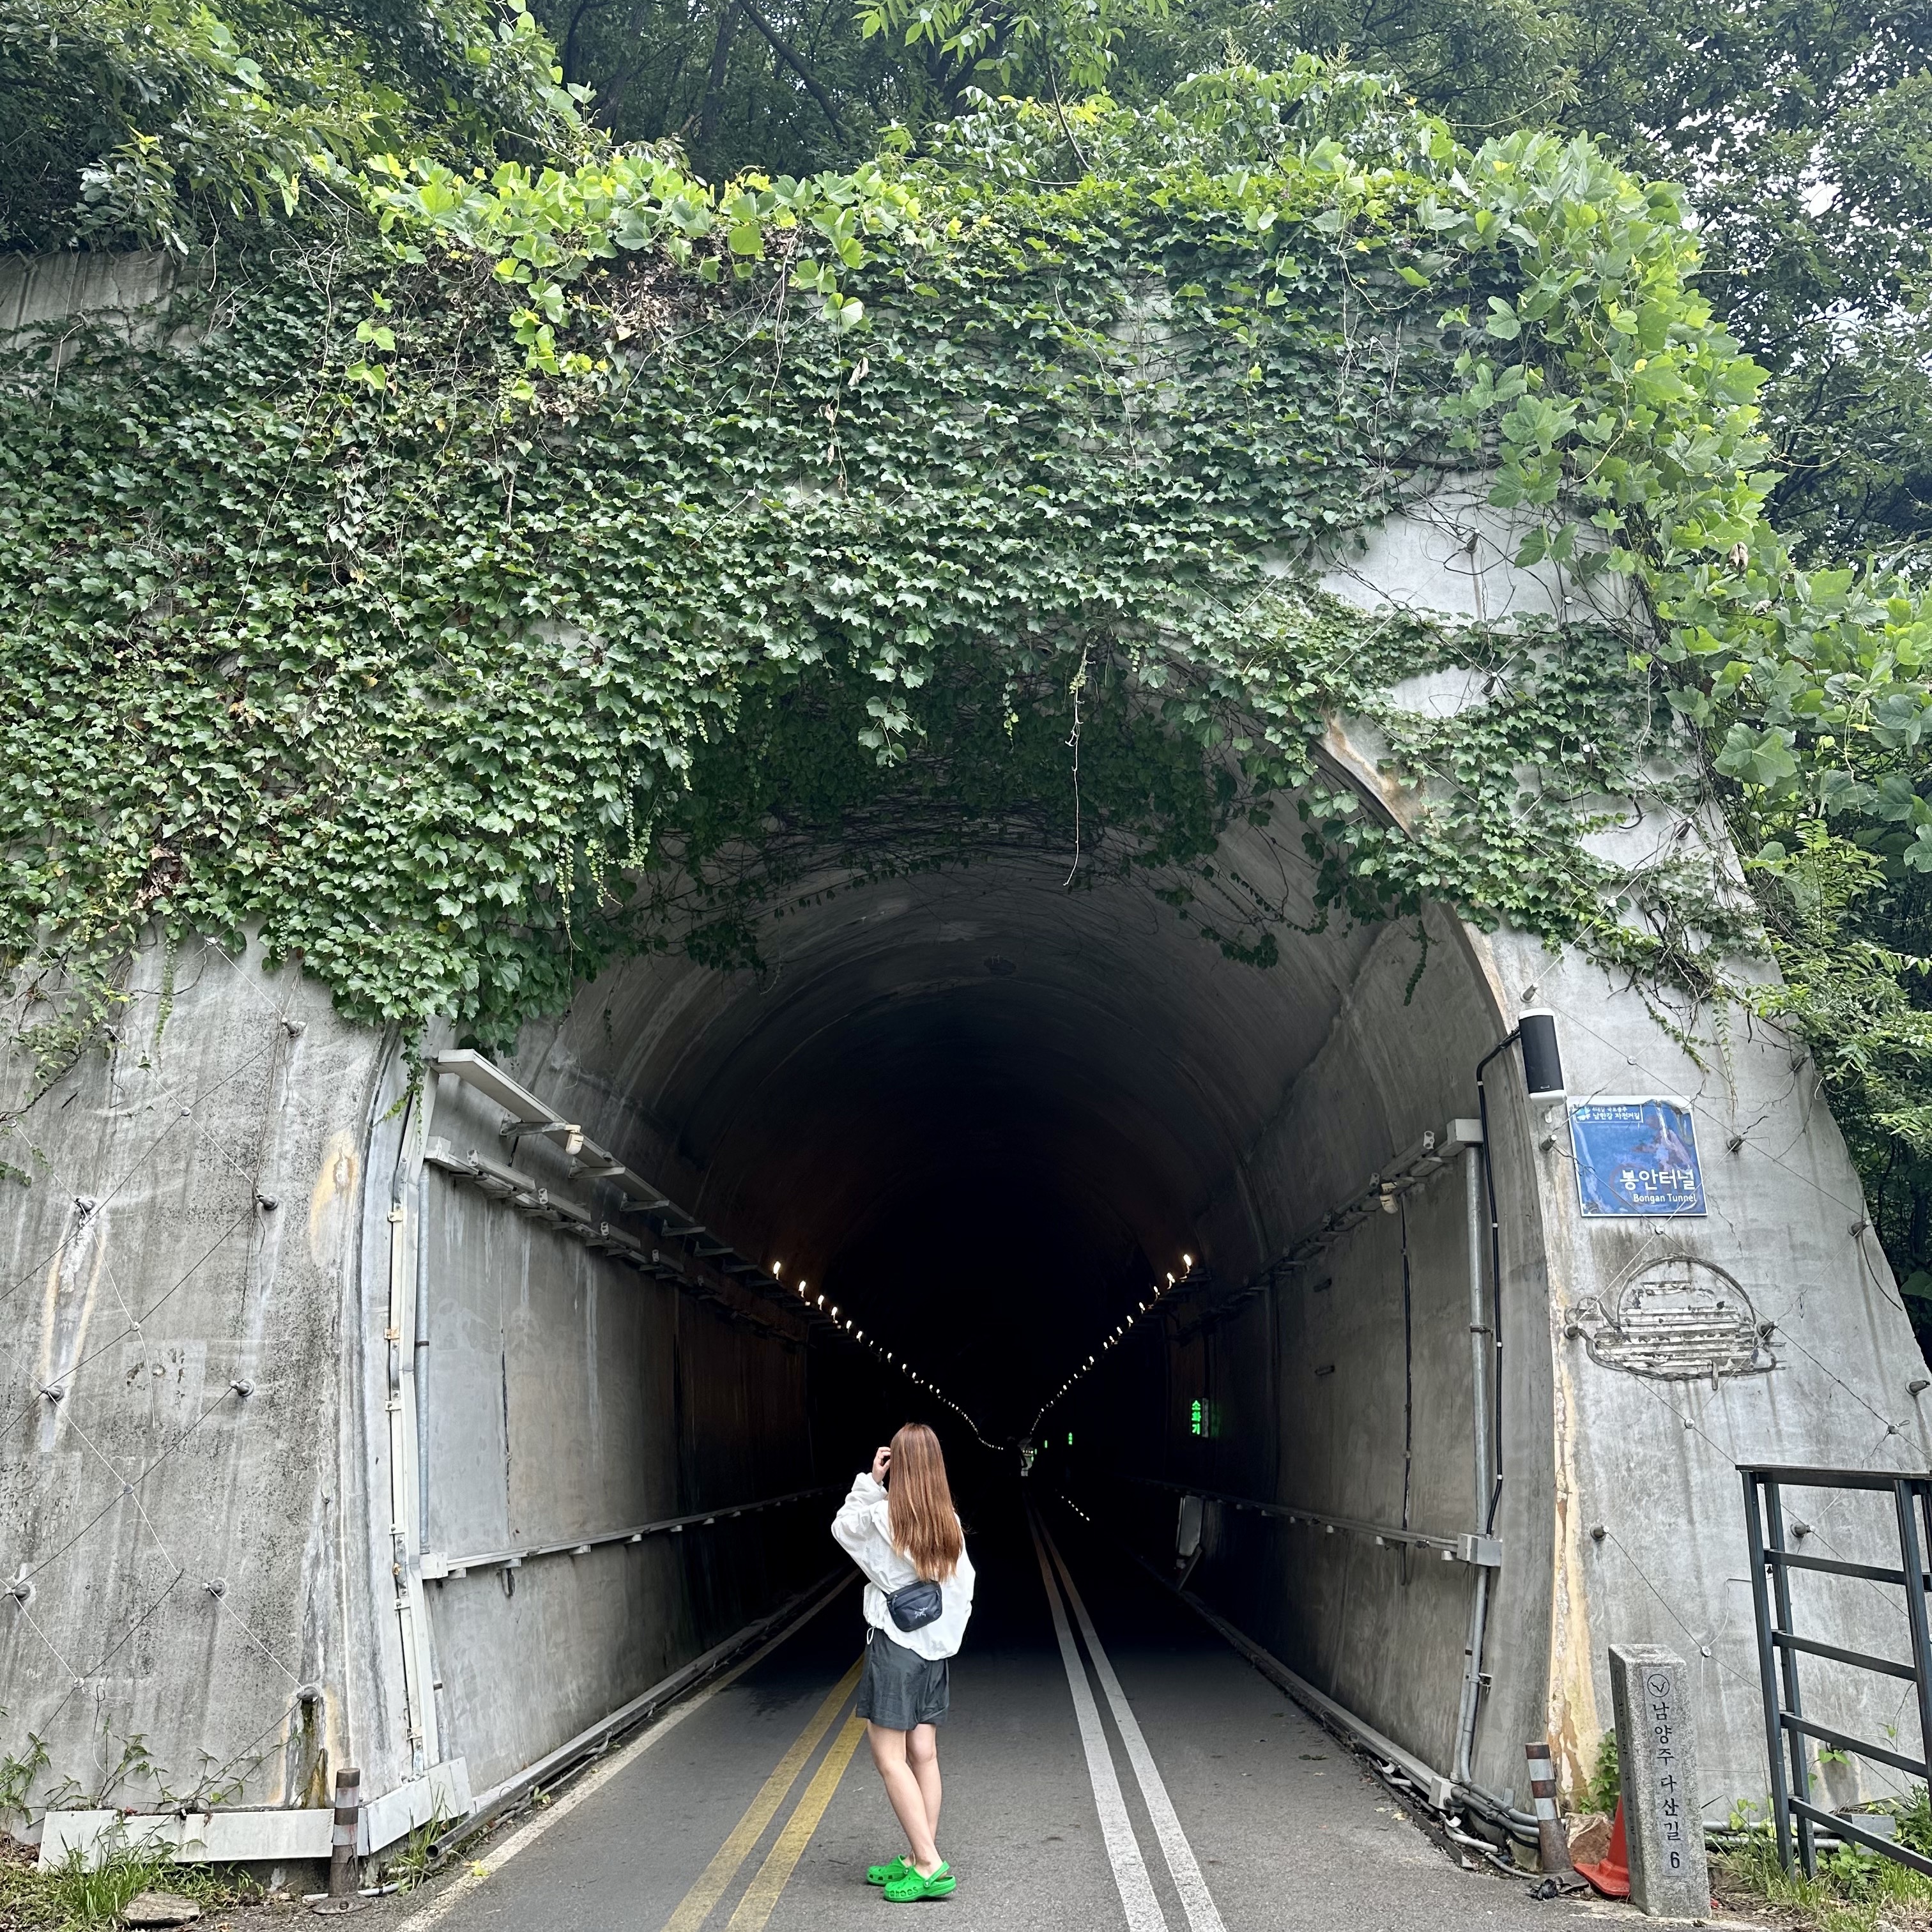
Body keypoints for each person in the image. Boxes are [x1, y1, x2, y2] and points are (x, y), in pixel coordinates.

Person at [831, 1422, 975, 1903]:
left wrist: (869, 1482)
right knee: (925, 1754)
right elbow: (963, 1587)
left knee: (889, 1758)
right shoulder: (947, 1520)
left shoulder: (883, 1517)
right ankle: (919, 1854)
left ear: (899, 1465)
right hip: (934, 1651)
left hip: (896, 1648)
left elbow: (840, 1528)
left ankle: (929, 1864)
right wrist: (943, 1637)